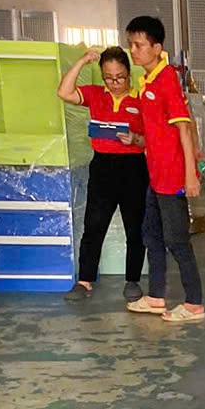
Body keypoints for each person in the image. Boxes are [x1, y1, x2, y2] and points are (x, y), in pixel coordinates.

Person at [121, 16, 205, 324]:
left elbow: (184, 128)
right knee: (151, 235)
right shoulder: (148, 82)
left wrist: (190, 174)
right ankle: (156, 297)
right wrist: (136, 139)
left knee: (177, 240)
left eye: (139, 45)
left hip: (171, 176)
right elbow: (156, 132)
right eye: (131, 44)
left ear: (157, 48)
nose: (133, 50)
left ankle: (194, 303)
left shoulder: (167, 79)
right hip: (155, 175)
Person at [56, 45, 148, 302]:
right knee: (94, 225)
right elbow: (64, 92)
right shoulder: (95, 95)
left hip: (133, 167)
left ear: (129, 73)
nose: (115, 83)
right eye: (108, 77)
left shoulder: (141, 99)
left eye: (120, 77)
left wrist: (135, 139)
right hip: (102, 167)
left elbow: (153, 139)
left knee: (135, 228)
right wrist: (83, 60)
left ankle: (132, 280)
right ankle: (84, 281)